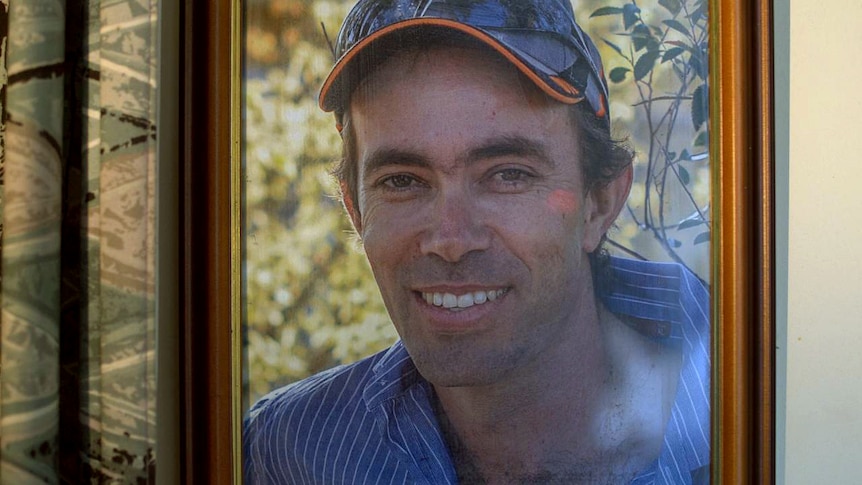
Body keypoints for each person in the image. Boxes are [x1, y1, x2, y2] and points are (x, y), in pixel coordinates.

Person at [244, 0, 710, 483]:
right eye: (402, 181)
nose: (451, 239)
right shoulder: (288, 454)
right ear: (356, 210)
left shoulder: (767, 399)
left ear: (599, 201)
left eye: (508, 175)